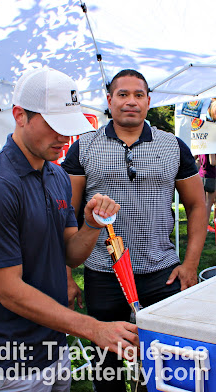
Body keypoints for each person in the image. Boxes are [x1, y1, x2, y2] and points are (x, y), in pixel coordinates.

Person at [0, 67, 139, 392]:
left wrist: (90, 225)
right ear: (20, 116)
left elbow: (69, 254)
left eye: (68, 127)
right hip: (11, 362)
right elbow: (9, 291)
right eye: (55, 126)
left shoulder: (55, 175)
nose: (64, 138)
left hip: (55, 348)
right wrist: (91, 327)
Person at [62, 69, 207, 392]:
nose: (131, 102)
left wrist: (191, 263)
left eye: (138, 95)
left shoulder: (172, 146)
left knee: (161, 364)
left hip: (161, 273)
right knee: (107, 369)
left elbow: (198, 205)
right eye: (123, 94)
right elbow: (66, 216)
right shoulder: (84, 148)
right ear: (109, 101)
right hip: (103, 272)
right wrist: (67, 275)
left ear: (148, 101)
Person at [195, 154, 216, 232]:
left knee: (203, 203)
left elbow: (195, 157)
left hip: (201, 175)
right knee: (208, 203)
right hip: (211, 176)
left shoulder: (201, 143)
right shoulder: (211, 145)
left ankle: (200, 225)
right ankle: (204, 226)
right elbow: (212, 162)